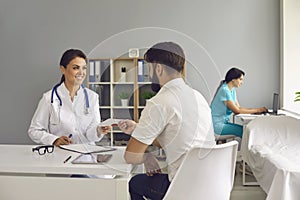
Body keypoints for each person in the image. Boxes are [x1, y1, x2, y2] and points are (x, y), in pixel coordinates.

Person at [117, 42, 215, 200]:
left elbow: (130, 156)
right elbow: (178, 139)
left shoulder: (160, 102)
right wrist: (138, 129)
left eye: (149, 68)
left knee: (134, 183)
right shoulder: (198, 97)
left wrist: (148, 157)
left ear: (158, 69)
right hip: (212, 184)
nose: (150, 75)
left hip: (183, 189)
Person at [28, 49, 110, 146]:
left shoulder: (92, 97)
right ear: (63, 69)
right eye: (76, 68)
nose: (81, 72)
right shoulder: (49, 98)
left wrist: (98, 130)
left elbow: (90, 135)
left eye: (84, 68)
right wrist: (54, 140)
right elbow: (34, 130)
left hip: (86, 155)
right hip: (59, 155)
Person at [210, 67, 267, 138]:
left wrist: (256, 111)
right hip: (217, 126)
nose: (241, 82)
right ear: (233, 79)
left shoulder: (232, 89)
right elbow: (237, 111)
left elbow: (238, 108)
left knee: (247, 130)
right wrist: (258, 110)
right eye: (240, 79)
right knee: (246, 132)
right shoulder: (224, 91)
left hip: (223, 123)